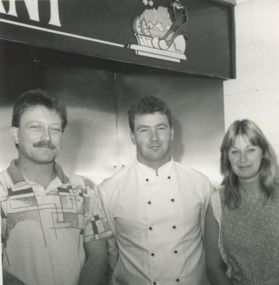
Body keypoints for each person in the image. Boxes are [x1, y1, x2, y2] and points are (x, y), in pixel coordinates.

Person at [0, 89, 112, 285]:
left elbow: (98, 257)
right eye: (35, 127)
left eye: (55, 129)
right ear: (15, 135)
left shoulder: (84, 190)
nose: (47, 137)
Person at [99, 95, 213, 285]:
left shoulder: (200, 183)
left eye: (161, 128)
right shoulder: (109, 190)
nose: (154, 138)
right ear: (133, 137)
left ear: (172, 133)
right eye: (144, 130)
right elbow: (110, 253)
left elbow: (210, 245)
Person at [204, 119, 279, 285]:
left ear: (264, 153)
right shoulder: (217, 202)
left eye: (250, 150)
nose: (243, 159)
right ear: (227, 157)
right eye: (235, 152)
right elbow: (213, 268)